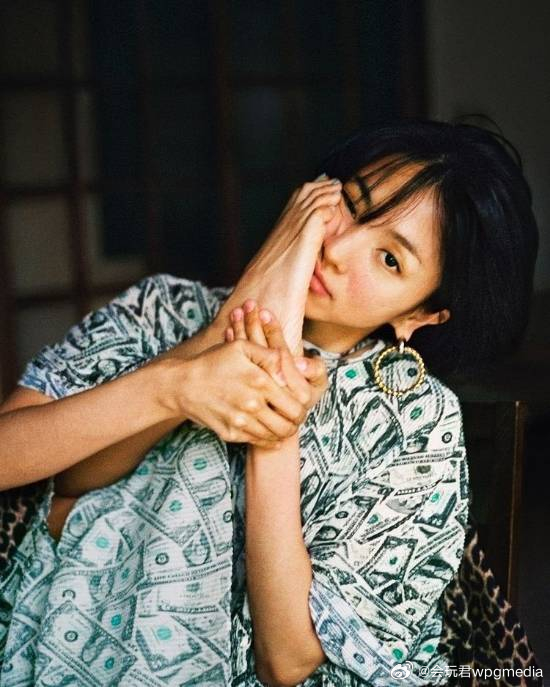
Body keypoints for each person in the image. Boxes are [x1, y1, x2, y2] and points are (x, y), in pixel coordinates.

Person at [0, 118, 538, 686]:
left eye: (389, 259)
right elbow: (56, 474)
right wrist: (185, 369)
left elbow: (287, 661)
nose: (338, 250)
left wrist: (274, 431)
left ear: (421, 314)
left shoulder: (414, 422)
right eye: (351, 206)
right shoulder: (160, 309)